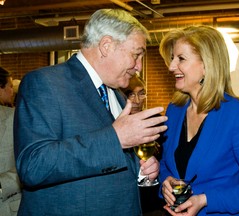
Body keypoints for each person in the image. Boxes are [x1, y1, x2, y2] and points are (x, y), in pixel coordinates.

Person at [13, 9, 168, 216]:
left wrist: (142, 172)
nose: (138, 66)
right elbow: (33, 165)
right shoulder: (45, 83)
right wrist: (116, 138)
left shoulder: (118, 96)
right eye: (136, 54)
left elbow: (113, 163)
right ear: (106, 46)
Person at [158, 25, 239, 216]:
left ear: (206, 65)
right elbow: (165, 163)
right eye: (172, 58)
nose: (171, 67)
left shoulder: (238, 117)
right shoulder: (174, 110)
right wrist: (165, 181)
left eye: (181, 59)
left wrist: (205, 200)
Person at [120, 74, 164, 215]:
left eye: (141, 94)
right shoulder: (113, 125)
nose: (137, 100)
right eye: (131, 94)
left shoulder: (156, 122)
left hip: (153, 200)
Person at [0, 66, 22, 216]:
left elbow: (30, 163)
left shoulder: (15, 118)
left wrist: (2, 184)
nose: (12, 91)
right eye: (9, 86)